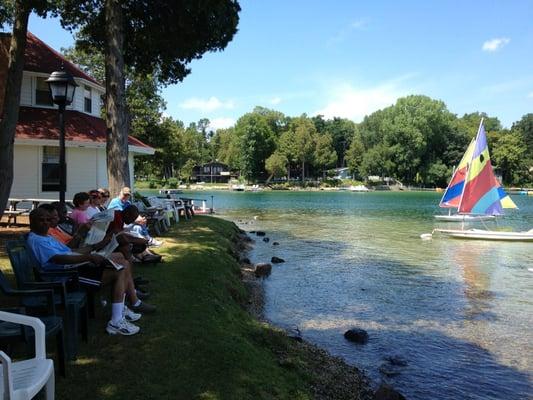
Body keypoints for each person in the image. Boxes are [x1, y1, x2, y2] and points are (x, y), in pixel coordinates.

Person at [27, 208, 142, 335]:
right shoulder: (37, 240)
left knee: (121, 265)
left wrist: (93, 248)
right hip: (65, 278)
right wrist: (89, 257)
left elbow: (69, 251)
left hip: (74, 269)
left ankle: (120, 311)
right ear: (31, 222)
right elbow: (59, 259)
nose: (45, 223)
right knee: (119, 271)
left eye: (47, 220)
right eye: (41, 220)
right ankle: (116, 320)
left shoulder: (46, 237)